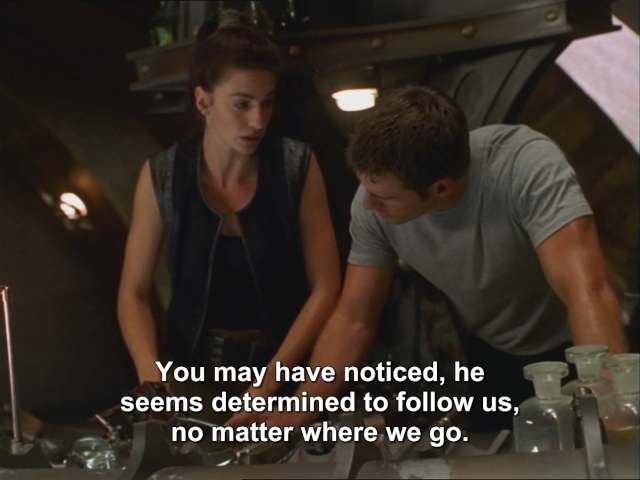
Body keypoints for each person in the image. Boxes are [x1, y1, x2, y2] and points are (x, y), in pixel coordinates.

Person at [229, 85, 628, 431]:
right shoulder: (371, 205)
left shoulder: (525, 166)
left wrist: (612, 406)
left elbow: (585, 291)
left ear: (440, 189)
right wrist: (297, 411)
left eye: (384, 198)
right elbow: (353, 319)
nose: (368, 205)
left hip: (586, 339)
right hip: (496, 353)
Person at [117, 24, 340, 402]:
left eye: (267, 102)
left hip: (289, 372)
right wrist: (152, 377)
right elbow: (133, 292)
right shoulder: (163, 174)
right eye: (242, 104)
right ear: (203, 101)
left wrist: (271, 383)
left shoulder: (296, 164)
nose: (258, 120)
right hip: (190, 374)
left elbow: (326, 287)